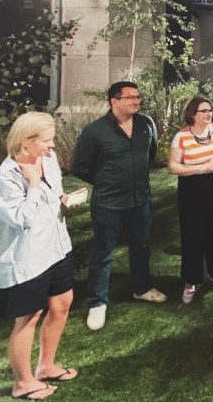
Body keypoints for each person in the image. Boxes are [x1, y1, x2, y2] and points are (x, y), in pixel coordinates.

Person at [0, 112, 77, 400]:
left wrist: (64, 200)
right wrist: (34, 184)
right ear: (26, 142)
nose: (52, 146)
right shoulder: (6, 177)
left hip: (57, 246)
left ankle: (46, 366)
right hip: (27, 257)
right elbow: (22, 219)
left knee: (62, 303)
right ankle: (23, 383)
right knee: (29, 316)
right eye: (46, 140)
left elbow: (55, 194)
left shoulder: (48, 159)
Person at [72, 81, 167, 330]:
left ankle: (142, 288)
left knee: (141, 246)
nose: (137, 101)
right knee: (103, 252)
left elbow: (151, 153)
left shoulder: (146, 124)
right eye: (130, 97)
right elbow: (80, 167)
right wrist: (106, 181)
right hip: (108, 202)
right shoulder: (95, 131)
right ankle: (98, 302)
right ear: (114, 101)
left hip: (140, 200)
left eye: (138, 97)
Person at [168, 97, 213, 304]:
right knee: (192, 233)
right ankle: (190, 281)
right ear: (192, 114)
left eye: (210, 110)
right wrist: (202, 167)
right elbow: (173, 166)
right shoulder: (182, 136)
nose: (209, 114)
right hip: (192, 186)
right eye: (203, 111)